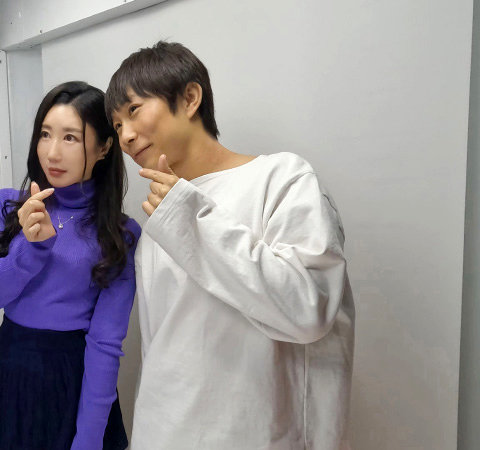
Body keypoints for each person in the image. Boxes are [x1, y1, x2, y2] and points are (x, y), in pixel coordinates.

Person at [106, 41, 355, 449]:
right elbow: (160, 355)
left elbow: (308, 308)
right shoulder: (157, 221)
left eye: (133, 110)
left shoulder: (282, 179)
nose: (126, 137)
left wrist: (186, 218)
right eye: (117, 126)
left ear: (190, 98)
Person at [0, 81, 140, 450]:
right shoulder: (8, 205)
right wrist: (32, 250)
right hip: (11, 368)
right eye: (45, 134)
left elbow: (106, 342)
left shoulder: (119, 234)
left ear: (104, 147)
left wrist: (88, 441)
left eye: (70, 138)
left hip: (73, 377)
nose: (52, 152)